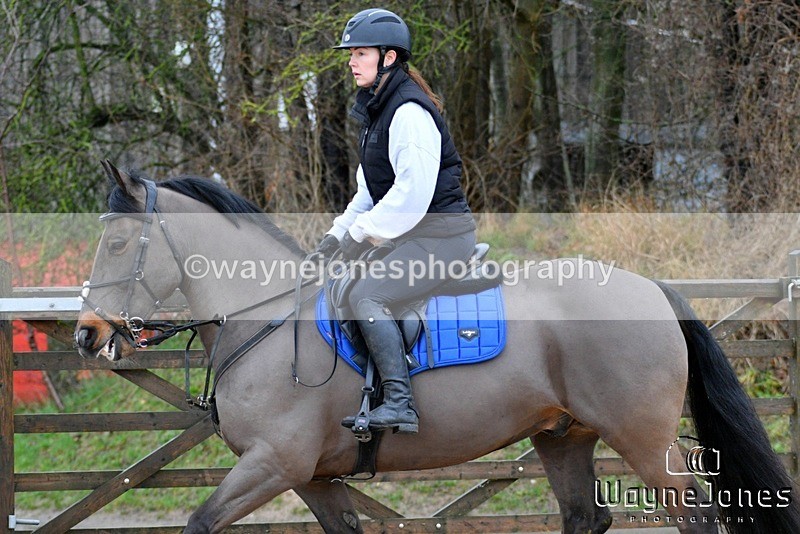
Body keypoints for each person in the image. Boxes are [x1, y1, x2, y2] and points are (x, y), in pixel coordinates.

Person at [315, 8, 476, 434]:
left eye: (360, 53)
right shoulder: (377, 113)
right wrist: (335, 238)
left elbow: (411, 197)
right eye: (351, 54)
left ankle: (400, 403)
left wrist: (359, 235)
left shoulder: (408, 113)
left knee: (368, 295)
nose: (351, 61)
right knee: (343, 284)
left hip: (441, 238)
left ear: (389, 57)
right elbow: (369, 194)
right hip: (413, 237)